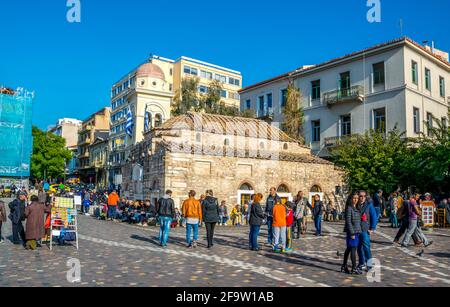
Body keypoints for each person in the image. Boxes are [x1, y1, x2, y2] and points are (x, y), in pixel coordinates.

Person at [341, 193, 363, 275]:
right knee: (353, 249)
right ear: (351, 199)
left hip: (357, 232)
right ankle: (354, 268)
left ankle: (344, 266)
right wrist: (352, 233)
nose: (356, 199)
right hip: (352, 232)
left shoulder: (357, 207)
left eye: (357, 198)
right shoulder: (349, 208)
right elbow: (348, 221)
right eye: (354, 198)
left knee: (349, 249)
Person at [357, 190, 378, 271]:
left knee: (366, 247)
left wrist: (372, 228)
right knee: (359, 247)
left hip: (365, 229)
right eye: (360, 196)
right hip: (357, 229)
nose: (362, 198)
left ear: (366, 197)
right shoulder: (356, 204)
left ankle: (369, 265)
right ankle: (362, 263)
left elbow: (374, 216)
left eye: (364, 196)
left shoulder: (369, 205)